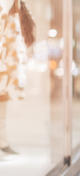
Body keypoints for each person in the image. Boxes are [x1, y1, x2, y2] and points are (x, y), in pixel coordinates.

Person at [0, 0, 35, 155]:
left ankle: (3, 142)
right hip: (5, 58)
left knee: (3, 102)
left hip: (7, 61)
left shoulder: (16, 5)